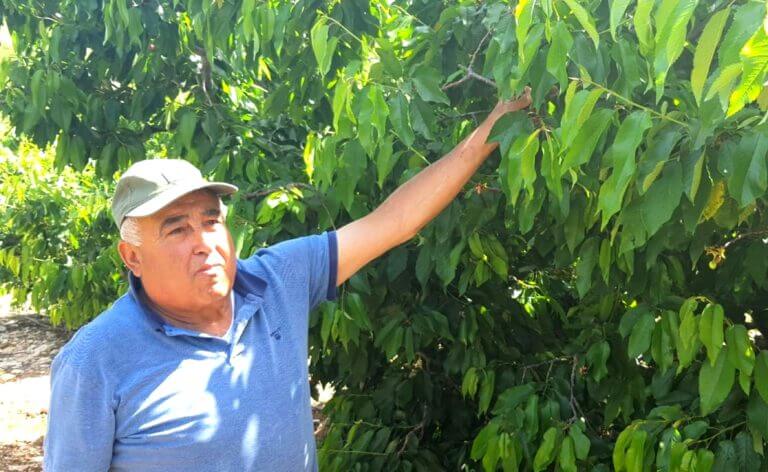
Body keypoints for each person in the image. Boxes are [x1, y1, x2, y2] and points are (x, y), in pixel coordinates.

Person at [43, 88, 532, 471]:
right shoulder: (94, 361)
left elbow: (395, 220)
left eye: (212, 221)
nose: (204, 241)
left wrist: (492, 129)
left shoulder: (277, 281)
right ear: (132, 256)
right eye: (176, 228)